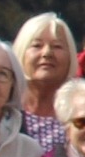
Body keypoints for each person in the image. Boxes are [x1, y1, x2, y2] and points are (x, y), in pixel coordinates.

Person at [15, 13, 79, 149]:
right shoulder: (5, 110)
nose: (47, 53)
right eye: (37, 46)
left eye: (57, 46)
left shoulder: (80, 114)